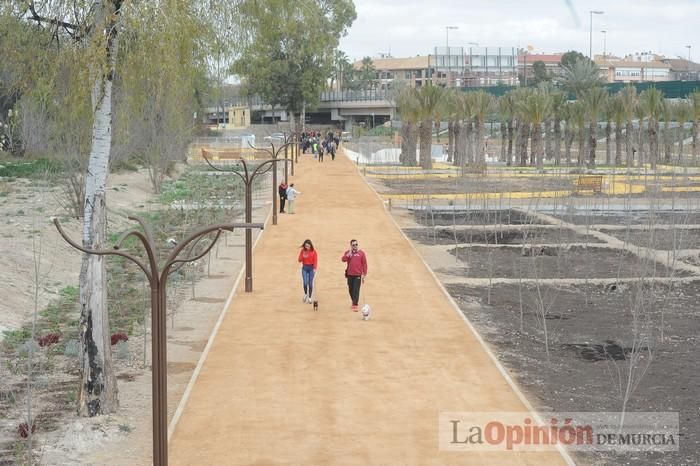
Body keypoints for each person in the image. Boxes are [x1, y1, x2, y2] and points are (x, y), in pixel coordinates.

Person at [341, 239, 367, 312]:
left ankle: (355, 304)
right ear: (351, 246)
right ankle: (354, 301)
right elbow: (343, 260)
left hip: (358, 274)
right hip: (350, 274)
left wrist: (364, 274)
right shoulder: (348, 253)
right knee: (350, 289)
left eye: (356, 244)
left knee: (356, 289)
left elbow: (364, 264)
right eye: (353, 245)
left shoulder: (361, 253)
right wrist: (348, 254)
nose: (355, 246)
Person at [298, 239, 318, 303]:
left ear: (310, 245)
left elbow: (315, 260)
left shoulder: (314, 252)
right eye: (306, 246)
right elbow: (299, 260)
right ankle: (305, 294)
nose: (307, 247)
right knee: (305, 282)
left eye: (308, 246)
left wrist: (314, 268)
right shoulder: (302, 251)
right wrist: (302, 256)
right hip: (304, 268)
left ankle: (309, 297)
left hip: (311, 268)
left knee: (310, 283)